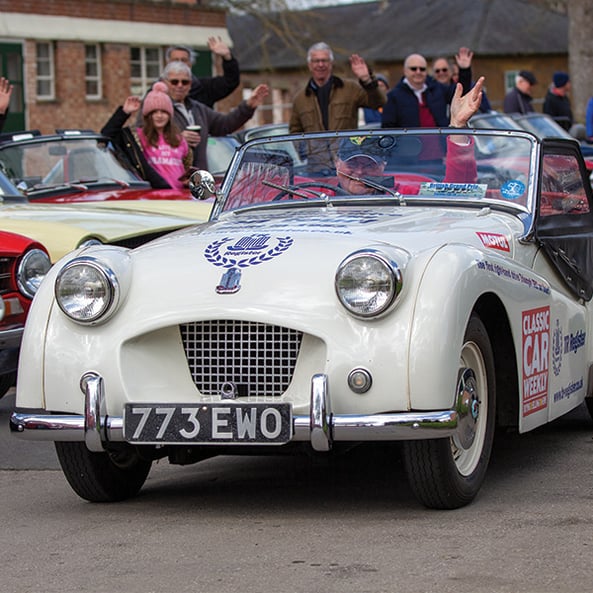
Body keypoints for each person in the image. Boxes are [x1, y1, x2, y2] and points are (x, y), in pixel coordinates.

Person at [336, 77, 485, 195]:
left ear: (383, 166)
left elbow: (457, 192)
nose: (360, 172)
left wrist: (458, 126)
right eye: (352, 164)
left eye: (369, 165)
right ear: (337, 164)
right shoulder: (318, 194)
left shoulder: (401, 193)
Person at [162, 60, 268, 170]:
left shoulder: (198, 109)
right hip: (171, 178)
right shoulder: (157, 109)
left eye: (185, 82)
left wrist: (248, 105)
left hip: (199, 180)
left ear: (190, 85)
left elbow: (225, 124)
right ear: (165, 83)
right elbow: (147, 140)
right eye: (174, 82)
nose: (180, 86)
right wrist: (177, 139)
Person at [101, 81, 192, 189]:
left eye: (163, 112)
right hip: (152, 197)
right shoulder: (137, 137)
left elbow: (185, 168)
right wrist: (125, 112)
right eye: (154, 112)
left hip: (179, 197)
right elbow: (106, 135)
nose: (159, 116)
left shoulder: (179, 139)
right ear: (148, 115)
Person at [289, 42, 386, 133]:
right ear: (309, 65)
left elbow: (379, 102)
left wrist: (367, 81)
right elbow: (295, 131)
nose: (320, 65)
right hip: (316, 151)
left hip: (346, 150)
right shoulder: (300, 99)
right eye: (316, 61)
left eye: (324, 60)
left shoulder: (350, 89)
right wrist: (305, 150)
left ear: (331, 64)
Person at [380, 47, 474, 130]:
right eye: (413, 69)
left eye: (422, 69)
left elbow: (460, 95)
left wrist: (464, 70)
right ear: (405, 71)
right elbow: (388, 129)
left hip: (441, 147)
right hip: (410, 148)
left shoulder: (437, 89)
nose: (418, 72)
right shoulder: (393, 96)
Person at [164, 37, 240, 108]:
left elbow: (230, 81)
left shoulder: (205, 88)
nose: (180, 64)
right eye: (175, 60)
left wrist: (227, 57)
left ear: (190, 64)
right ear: (168, 63)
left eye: (184, 60)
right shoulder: (158, 89)